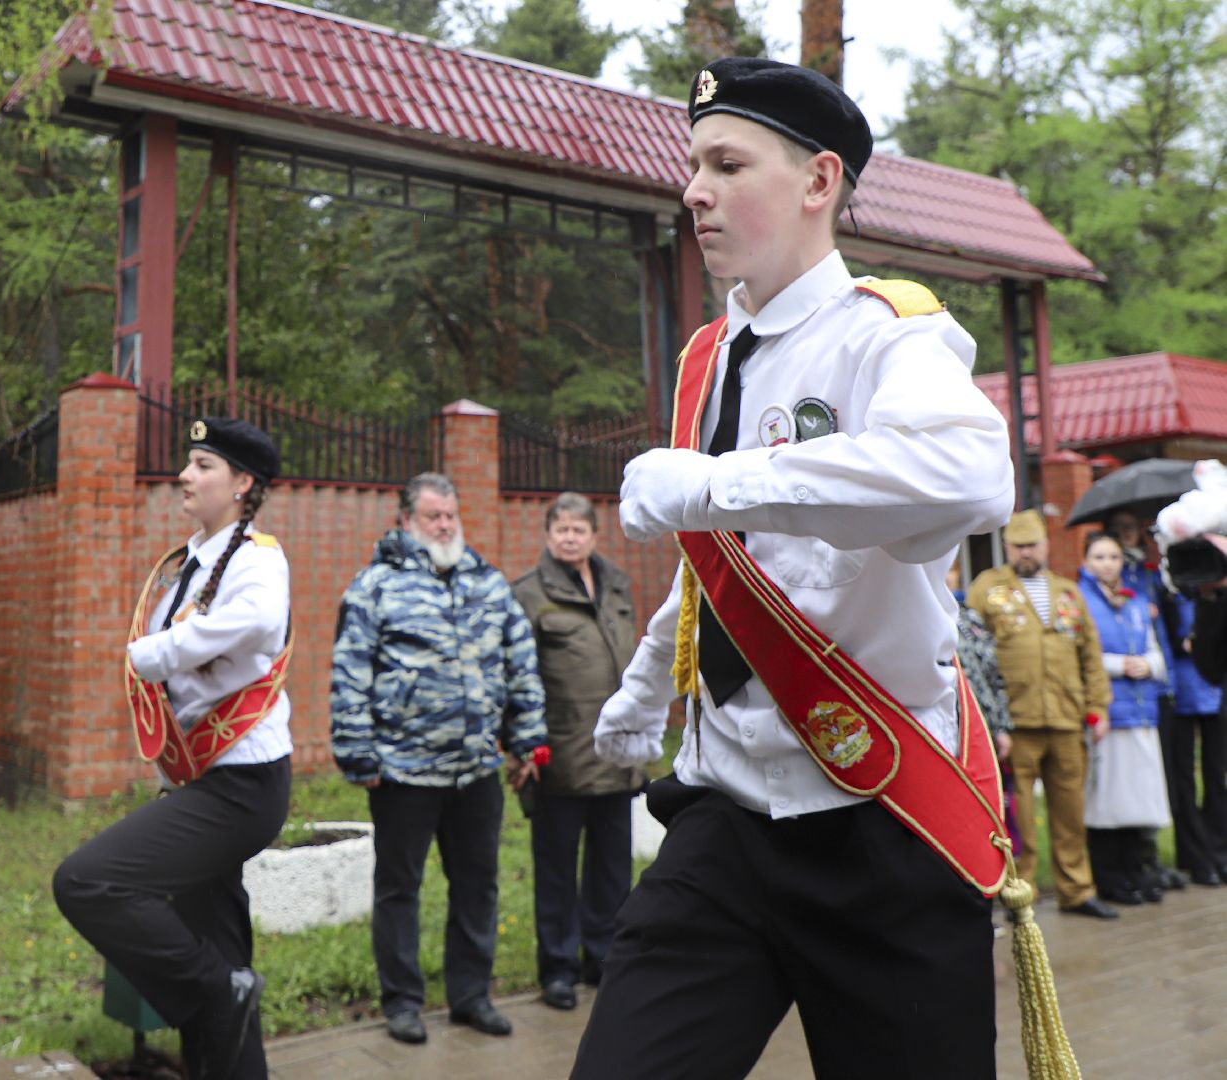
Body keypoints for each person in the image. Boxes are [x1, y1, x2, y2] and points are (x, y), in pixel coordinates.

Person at [574, 57, 1017, 1079]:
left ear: (819, 182)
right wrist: (649, 686)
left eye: (727, 163)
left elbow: (968, 474)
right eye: (692, 165)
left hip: (880, 828)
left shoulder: (884, 333)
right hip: (722, 817)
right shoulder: (705, 357)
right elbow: (727, 575)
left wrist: (717, 484)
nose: (694, 188)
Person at [53, 417, 291, 1080]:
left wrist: (155, 653)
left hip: (241, 786)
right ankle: (225, 1012)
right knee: (219, 951)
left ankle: (219, 991)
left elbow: (260, 623)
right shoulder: (191, 559)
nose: (185, 476)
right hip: (200, 780)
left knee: (88, 882)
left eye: (203, 465)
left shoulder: (258, 561)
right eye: (188, 463)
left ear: (243, 484)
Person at [330, 472, 546, 1045]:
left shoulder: (487, 583)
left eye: (451, 515)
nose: (445, 525)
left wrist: (526, 738)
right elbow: (351, 676)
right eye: (433, 517)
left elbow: (520, 663)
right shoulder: (375, 587)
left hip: (476, 770)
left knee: (478, 886)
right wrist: (358, 754)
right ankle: (402, 1002)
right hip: (403, 771)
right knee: (399, 889)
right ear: (407, 522)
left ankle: (471, 995)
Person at [510, 493, 641, 1012]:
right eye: (560, 529)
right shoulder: (526, 594)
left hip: (616, 753)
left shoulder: (617, 586)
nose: (569, 537)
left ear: (593, 535)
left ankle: (602, 957)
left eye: (578, 529)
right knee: (557, 868)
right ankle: (558, 968)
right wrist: (523, 744)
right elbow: (515, 677)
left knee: (612, 866)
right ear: (548, 535)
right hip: (558, 754)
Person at [970, 510, 1116, 918]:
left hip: (1067, 720)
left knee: (1070, 813)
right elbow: (973, 653)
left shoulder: (1067, 591)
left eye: (1033, 544)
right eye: (1018, 546)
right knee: (1020, 817)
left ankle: (1077, 890)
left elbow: (1090, 653)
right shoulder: (986, 588)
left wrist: (1098, 707)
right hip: (1015, 724)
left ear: (1046, 545)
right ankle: (1023, 895)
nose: (1027, 552)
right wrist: (989, 719)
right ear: (1007, 547)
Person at [1076, 531, 1171, 904]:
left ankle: (1138, 868)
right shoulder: (1079, 601)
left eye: (1113, 557)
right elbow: (1078, 656)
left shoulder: (1137, 602)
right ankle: (1110, 875)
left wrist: (1145, 664)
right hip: (1109, 712)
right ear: (1085, 562)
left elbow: (1157, 655)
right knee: (1109, 797)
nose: (1107, 564)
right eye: (1099, 557)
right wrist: (1118, 664)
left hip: (1142, 711)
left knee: (1140, 796)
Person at [1105, 509, 1188, 894]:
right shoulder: (1118, 583)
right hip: (1129, 694)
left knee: (1159, 779)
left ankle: (1152, 858)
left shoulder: (1154, 575)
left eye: (1133, 530)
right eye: (1121, 531)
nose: (1129, 536)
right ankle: (1136, 862)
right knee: (1131, 783)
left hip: (1158, 683)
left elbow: (1168, 633)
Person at [950, 559, 1018, 856]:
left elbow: (995, 675)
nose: (944, 577)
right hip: (949, 729)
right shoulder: (919, 619)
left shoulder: (971, 619)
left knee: (990, 805)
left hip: (984, 727)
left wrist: (1001, 727)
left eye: (950, 570)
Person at [1163, 585, 1227, 885]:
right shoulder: (1163, 589)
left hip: (1215, 691)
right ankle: (1194, 856)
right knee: (1183, 779)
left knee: (1217, 775)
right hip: (1178, 692)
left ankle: (1218, 851)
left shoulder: (1216, 588)